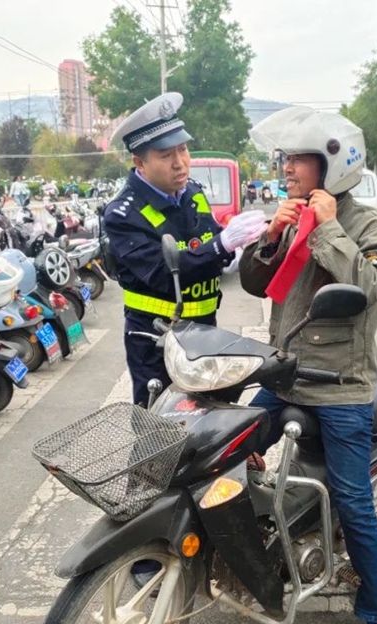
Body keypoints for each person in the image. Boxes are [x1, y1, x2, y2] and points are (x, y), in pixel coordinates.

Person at [239, 106, 377, 624]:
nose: (286, 169)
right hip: (285, 374)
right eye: (284, 159)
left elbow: (370, 289)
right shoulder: (290, 217)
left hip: (340, 387)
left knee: (354, 503)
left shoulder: (367, 225)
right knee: (220, 446)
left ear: (332, 165)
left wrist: (327, 227)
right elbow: (256, 284)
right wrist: (270, 238)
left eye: (297, 160)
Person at [103, 91, 267, 406]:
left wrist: (236, 251)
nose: (180, 163)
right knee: (157, 423)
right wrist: (221, 245)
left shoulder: (192, 192)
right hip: (156, 340)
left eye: (183, 149)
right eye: (166, 155)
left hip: (204, 332)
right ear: (140, 162)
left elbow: (208, 243)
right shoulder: (123, 214)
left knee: (208, 418)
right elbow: (164, 273)